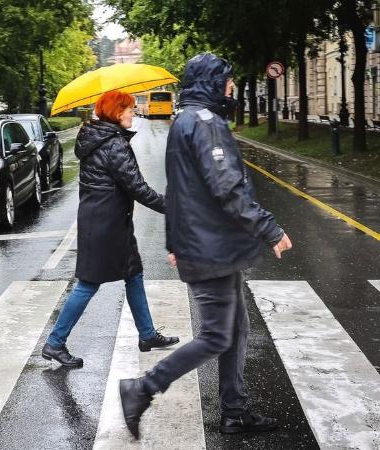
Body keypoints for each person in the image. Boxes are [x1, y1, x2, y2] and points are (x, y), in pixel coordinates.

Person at [119, 53, 293, 439]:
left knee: (238, 328)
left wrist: (173, 241)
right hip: (211, 247)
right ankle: (142, 389)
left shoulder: (185, 120)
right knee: (217, 334)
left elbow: (179, 190)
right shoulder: (205, 123)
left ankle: (234, 411)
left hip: (212, 245)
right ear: (213, 83)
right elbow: (226, 188)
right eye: (227, 81)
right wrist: (269, 228)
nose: (232, 88)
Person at [41, 90, 179, 368]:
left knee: (134, 274)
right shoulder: (113, 144)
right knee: (88, 284)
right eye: (128, 108)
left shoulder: (100, 138)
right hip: (105, 225)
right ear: (116, 112)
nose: (133, 112)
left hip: (110, 221)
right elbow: (137, 187)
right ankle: (55, 343)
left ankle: (147, 334)